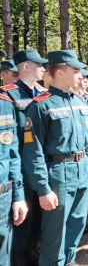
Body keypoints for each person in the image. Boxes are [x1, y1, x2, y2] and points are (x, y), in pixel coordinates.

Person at [23, 49, 88, 266]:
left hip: (83, 170)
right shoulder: (40, 106)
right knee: (55, 234)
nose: (81, 76)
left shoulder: (81, 102)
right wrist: (43, 189)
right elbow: (33, 151)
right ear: (61, 71)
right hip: (59, 174)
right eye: (76, 71)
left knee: (77, 224)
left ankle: (69, 261)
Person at [0, 49, 47, 265]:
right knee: (21, 215)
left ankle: (31, 248)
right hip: (18, 164)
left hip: (39, 162)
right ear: (26, 67)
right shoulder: (9, 94)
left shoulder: (42, 94)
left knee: (38, 209)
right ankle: (18, 254)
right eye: (38, 64)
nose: (43, 68)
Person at [0, 93, 28, 266]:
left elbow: (12, 155)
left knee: (3, 256)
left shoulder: (4, 104)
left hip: (3, 197)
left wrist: (18, 196)